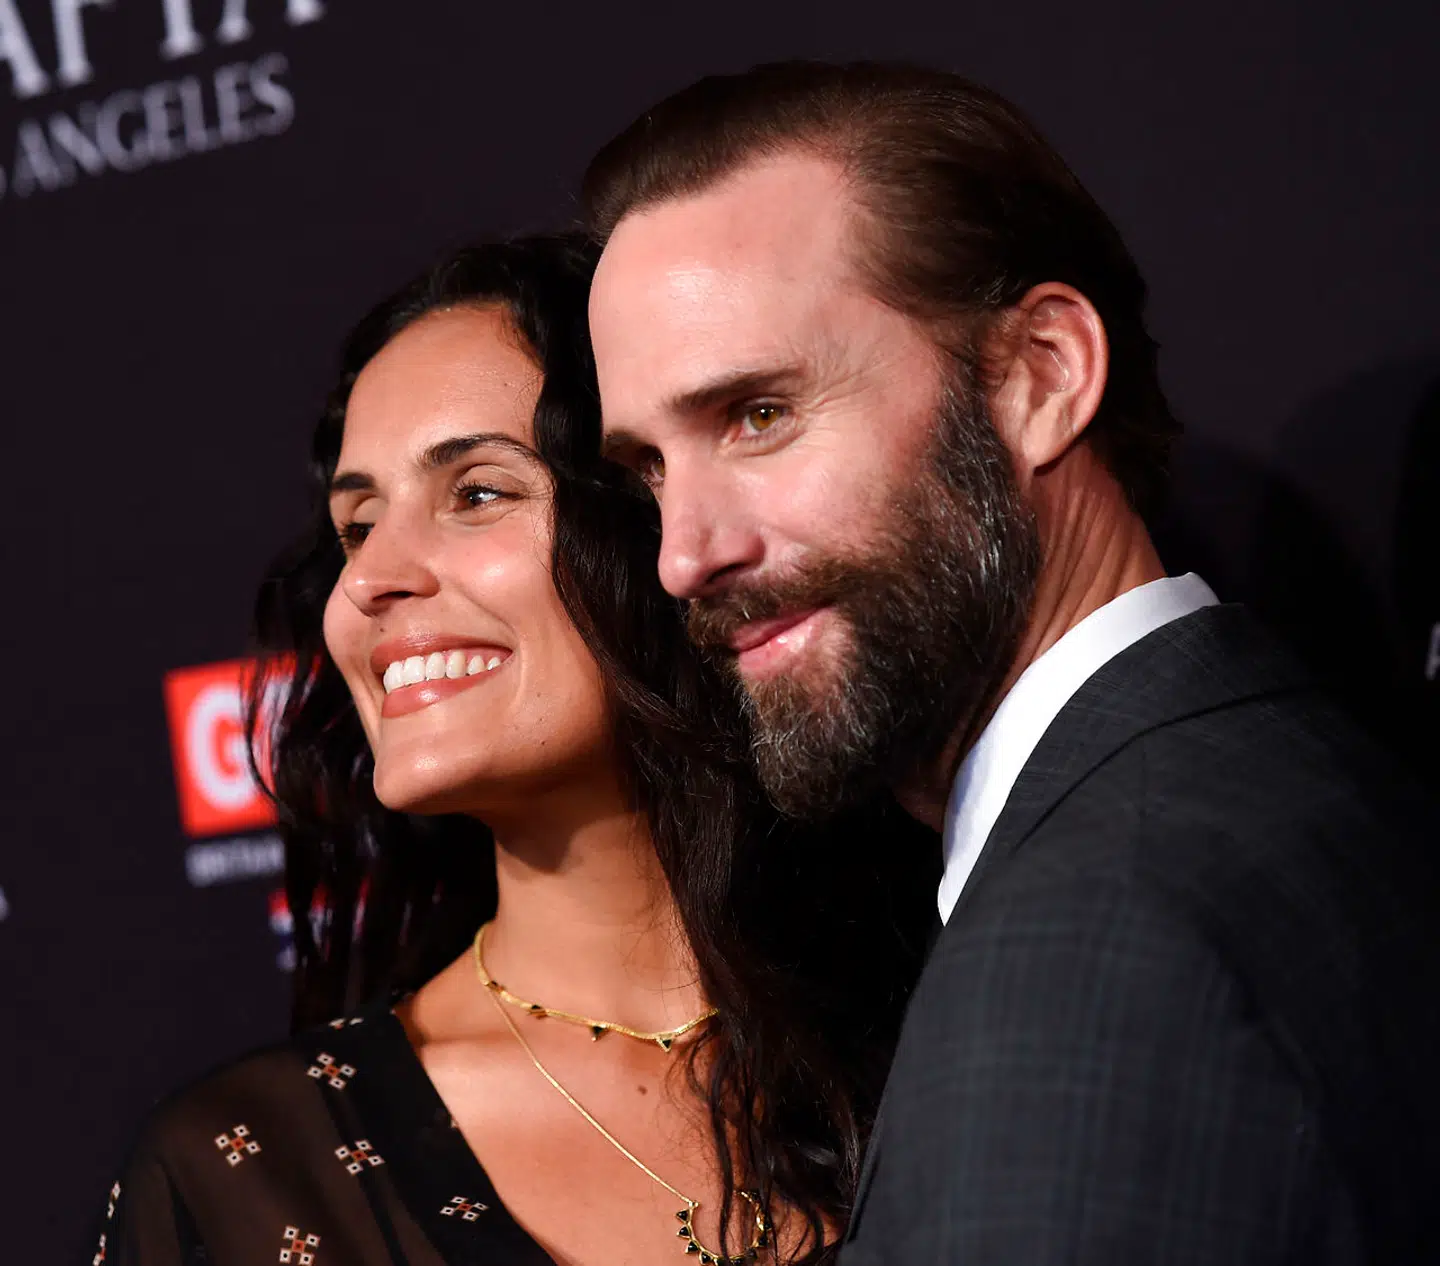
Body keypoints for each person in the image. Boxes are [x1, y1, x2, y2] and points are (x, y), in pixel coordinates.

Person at [582, 63, 1440, 1264]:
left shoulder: (1091, 949)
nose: (684, 554)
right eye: (650, 469)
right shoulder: (1278, 774)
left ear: (1040, 374)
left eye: (757, 416)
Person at [92, 235, 935, 1266]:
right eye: (357, 526)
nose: (369, 582)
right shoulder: (248, 1176)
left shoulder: (969, 1010)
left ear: (660, 522)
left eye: (477, 493)